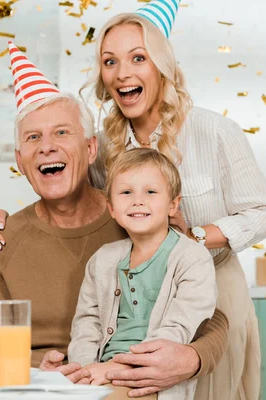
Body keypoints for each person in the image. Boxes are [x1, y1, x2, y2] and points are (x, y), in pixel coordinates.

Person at [0, 42, 229, 387]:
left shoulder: (141, 219)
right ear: (20, 159)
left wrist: (192, 358)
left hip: (138, 383)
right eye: (33, 137)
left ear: (91, 147)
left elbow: (207, 314)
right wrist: (41, 370)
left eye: (62, 133)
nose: (47, 146)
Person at [79, 7, 266, 399]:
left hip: (216, 290)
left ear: (162, 66)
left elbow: (264, 211)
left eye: (138, 57)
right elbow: (80, 206)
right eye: (110, 61)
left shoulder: (214, 130)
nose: (123, 73)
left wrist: (195, 237)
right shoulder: (103, 149)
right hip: (140, 305)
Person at [68, 148, 216, 399]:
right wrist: (83, 373)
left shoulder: (192, 258)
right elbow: (86, 323)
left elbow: (178, 328)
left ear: (173, 204)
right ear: (111, 207)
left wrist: (116, 369)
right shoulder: (102, 260)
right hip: (98, 375)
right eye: (126, 192)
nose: (138, 200)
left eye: (150, 191)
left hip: (152, 381)